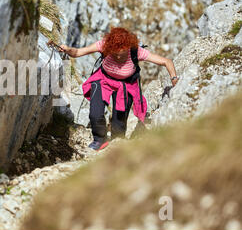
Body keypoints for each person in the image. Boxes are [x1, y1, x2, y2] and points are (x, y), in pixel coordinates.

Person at [50, 27, 179, 151]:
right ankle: (99, 139)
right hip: (103, 80)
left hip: (126, 85)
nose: (117, 57)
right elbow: (78, 52)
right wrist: (66, 49)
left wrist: (174, 79)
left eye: (121, 54)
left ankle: (116, 146)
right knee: (95, 112)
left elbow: (166, 61)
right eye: (114, 53)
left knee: (119, 124)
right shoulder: (104, 45)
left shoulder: (136, 51)